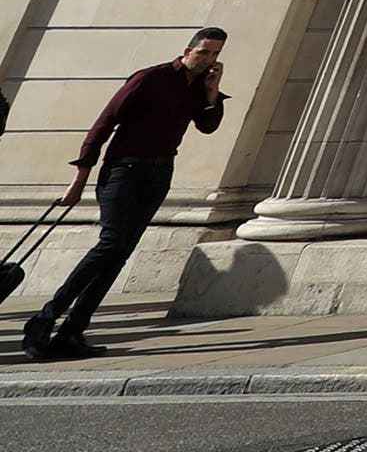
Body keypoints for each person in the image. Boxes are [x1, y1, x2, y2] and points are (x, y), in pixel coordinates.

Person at [24, 25, 228, 359]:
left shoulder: (201, 86)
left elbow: (207, 126)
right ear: (187, 50)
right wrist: (79, 179)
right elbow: (103, 124)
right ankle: (44, 319)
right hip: (123, 170)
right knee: (111, 244)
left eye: (216, 55)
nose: (209, 59)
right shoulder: (150, 78)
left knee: (121, 252)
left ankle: (72, 332)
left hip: (159, 172)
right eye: (204, 52)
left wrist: (212, 92)